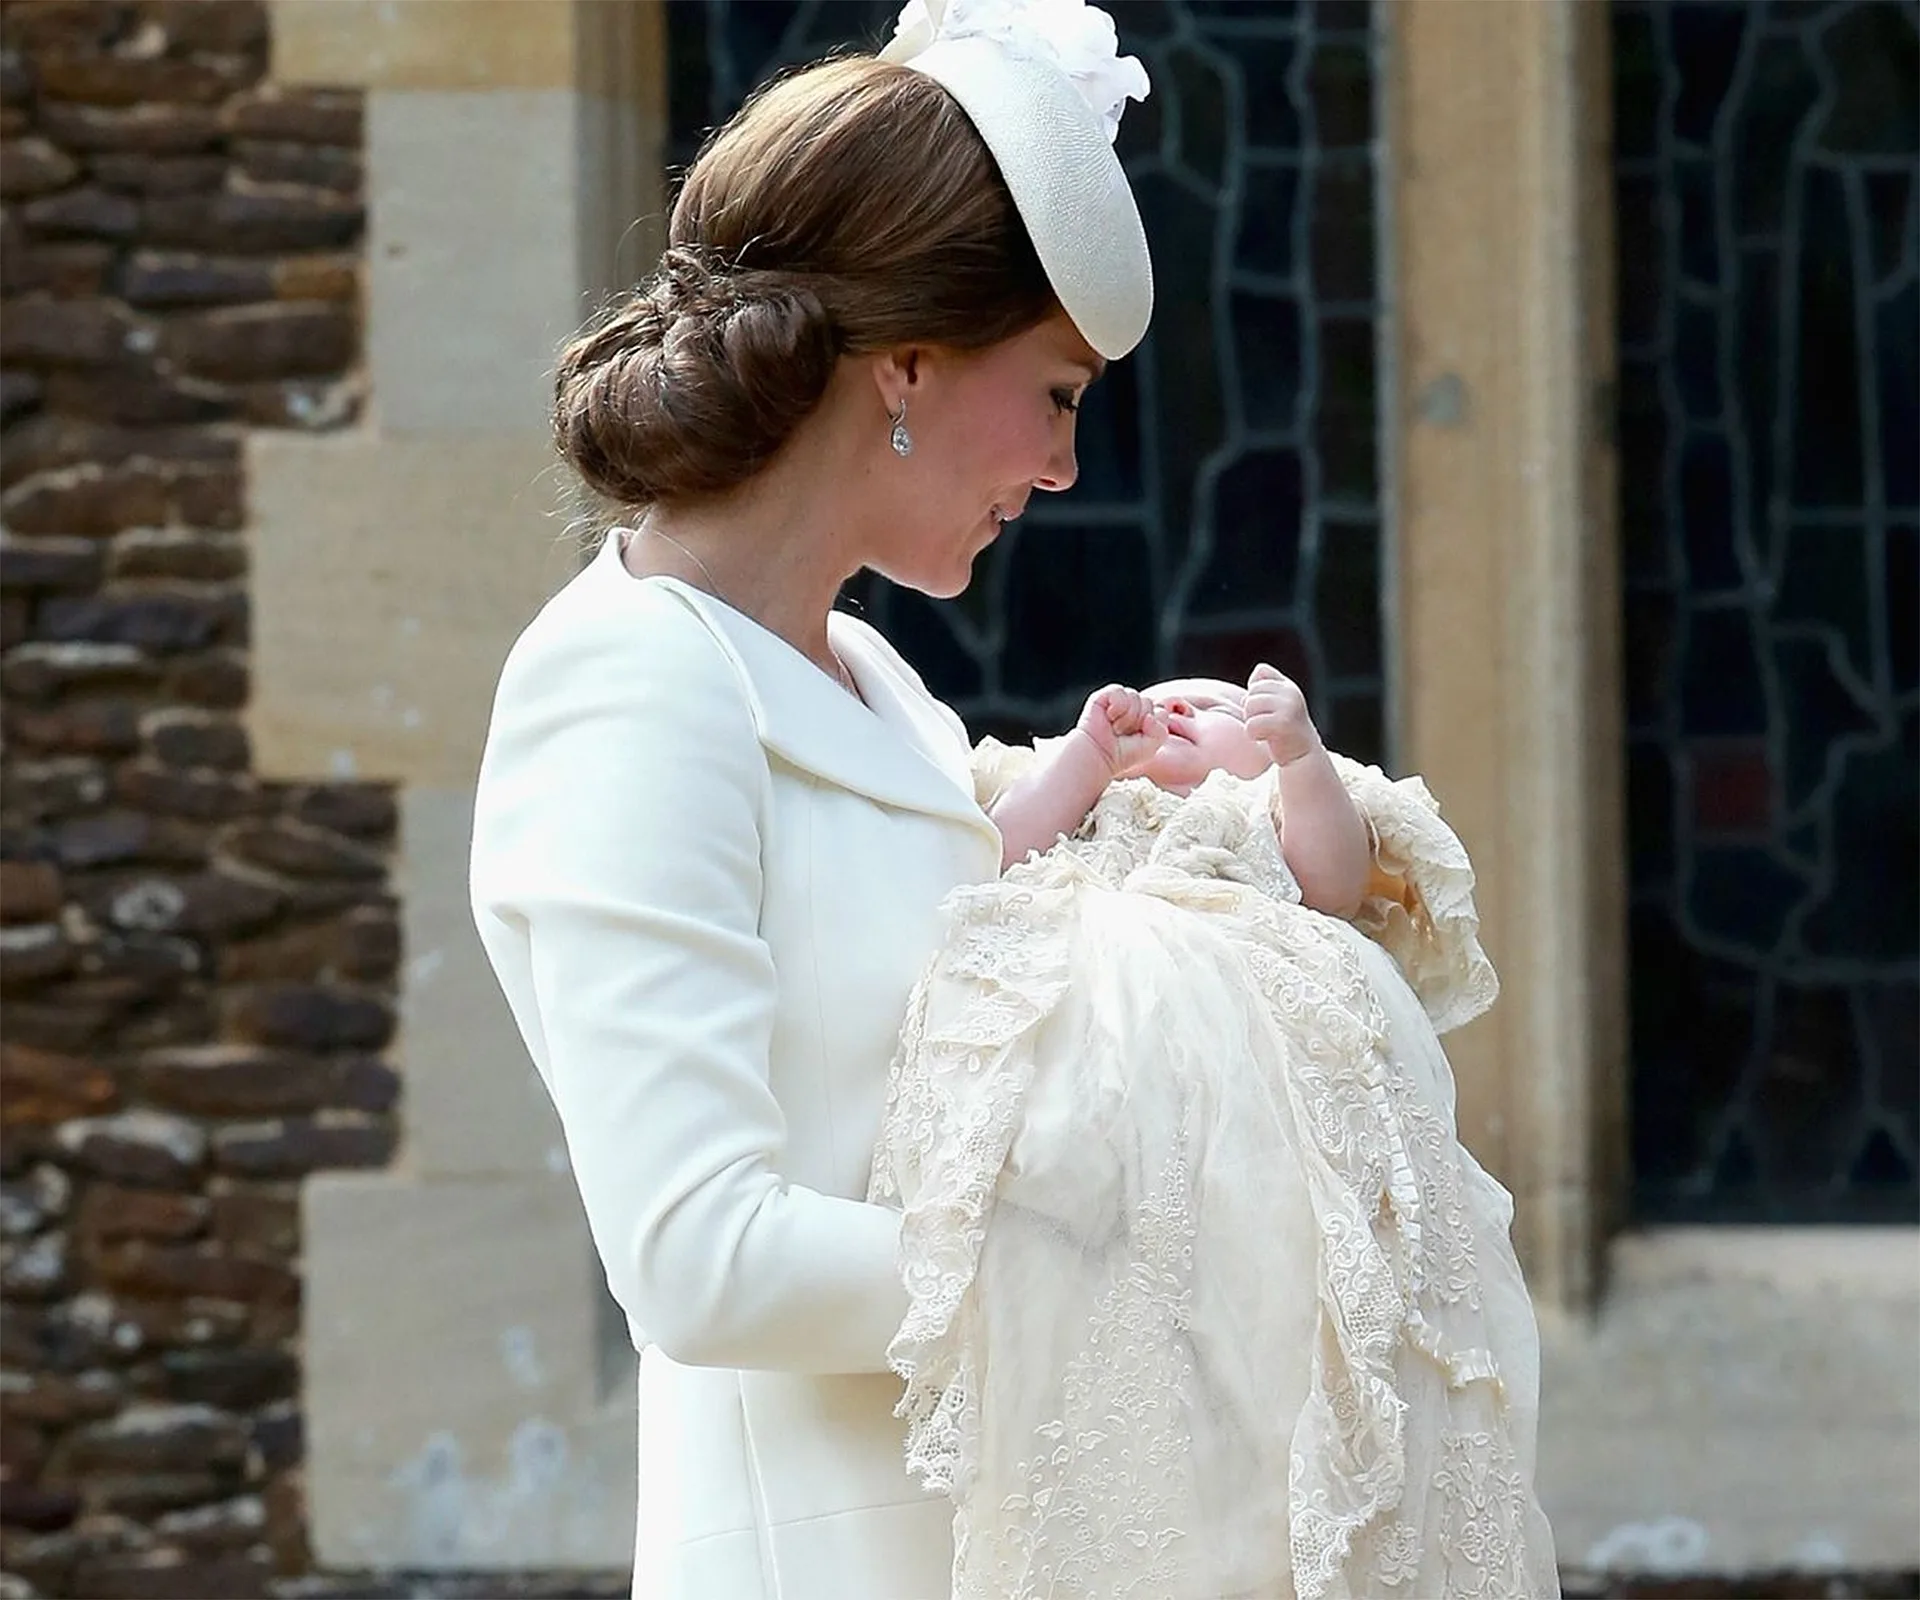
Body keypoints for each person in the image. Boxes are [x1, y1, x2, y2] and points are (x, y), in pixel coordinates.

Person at [468, 1, 1154, 1595]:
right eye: (1055, 394)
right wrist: (1106, 1248)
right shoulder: (629, 682)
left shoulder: (869, 675)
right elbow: (702, 1260)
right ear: (906, 366)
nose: (1061, 469)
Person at [871, 669, 1561, 1599]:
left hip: (1250, 1086)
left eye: (1224, 706)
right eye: (1163, 698)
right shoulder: (1084, 810)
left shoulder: (1266, 810)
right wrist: (1085, 760)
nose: (1185, 708)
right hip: (1103, 1100)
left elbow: (1335, 880)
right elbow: (986, 856)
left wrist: (1299, 755)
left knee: (1274, 1283)